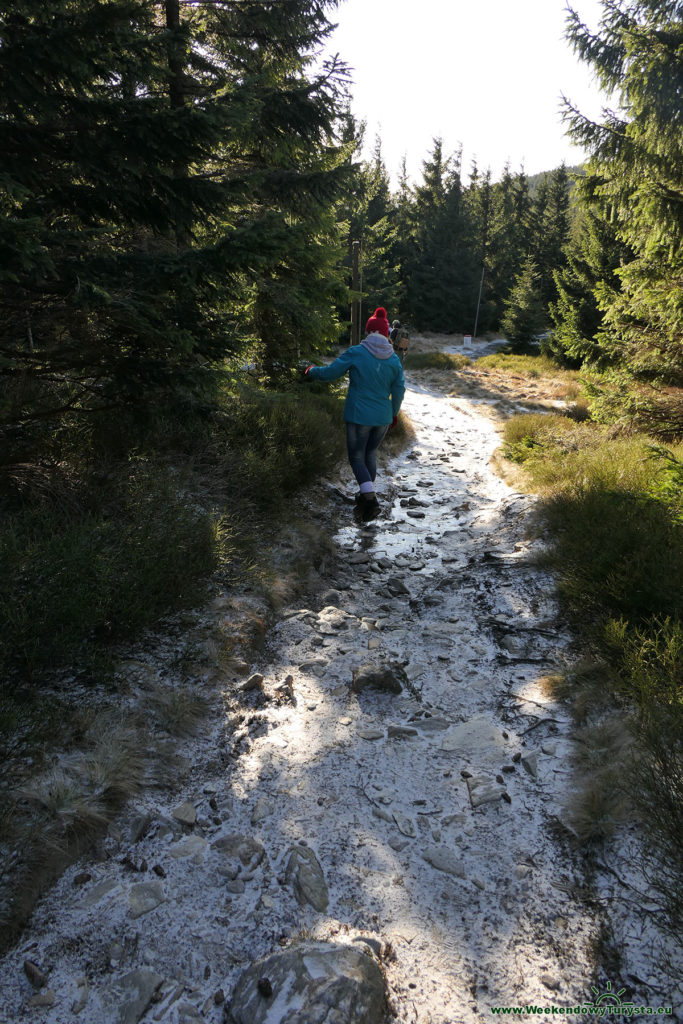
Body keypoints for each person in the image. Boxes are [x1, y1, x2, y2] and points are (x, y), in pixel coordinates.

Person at [304, 307, 405, 518]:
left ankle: (371, 500)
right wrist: (393, 414)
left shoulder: (357, 352)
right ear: (386, 333)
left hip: (359, 416)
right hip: (383, 419)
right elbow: (399, 390)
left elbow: (331, 372)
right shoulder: (394, 359)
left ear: (368, 331)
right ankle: (364, 498)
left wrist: (311, 371)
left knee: (356, 457)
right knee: (370, 454)